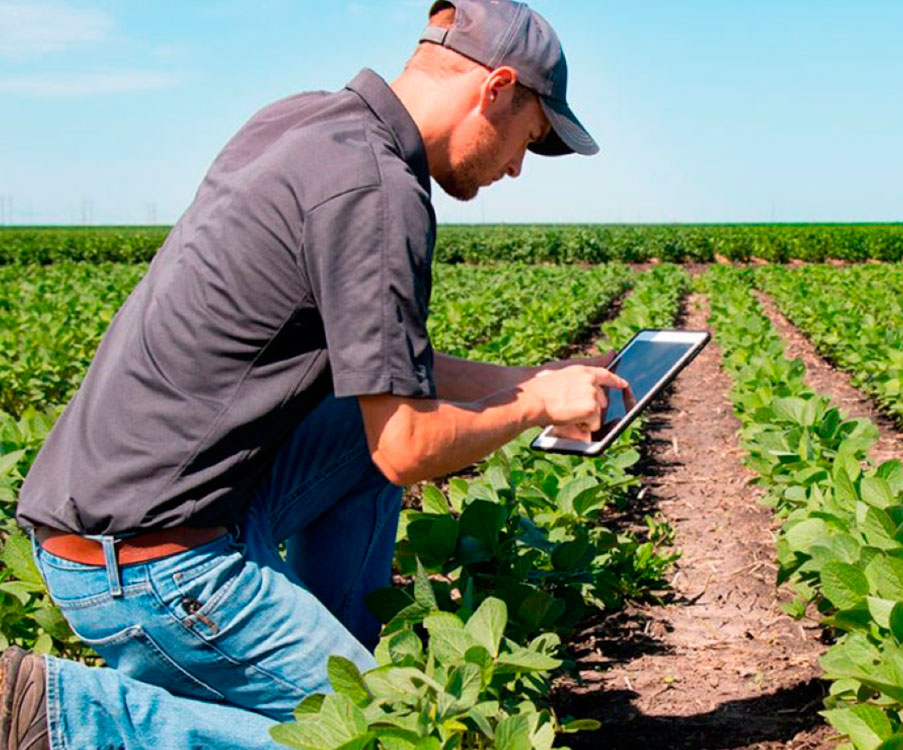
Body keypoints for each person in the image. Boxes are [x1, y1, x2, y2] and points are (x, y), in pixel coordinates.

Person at [0, 2, 626, 748]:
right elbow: (409, 448)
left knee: (354, 429)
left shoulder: (304, 124)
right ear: (494, 88)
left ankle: (347, 650)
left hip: (124, 513)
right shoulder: (380, 191)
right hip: (153, 565)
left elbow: (390, 377)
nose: (518, 166)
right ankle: (65, 716)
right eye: (528, 138)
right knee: (384, 734)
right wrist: (531, 410)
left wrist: (532, 378)